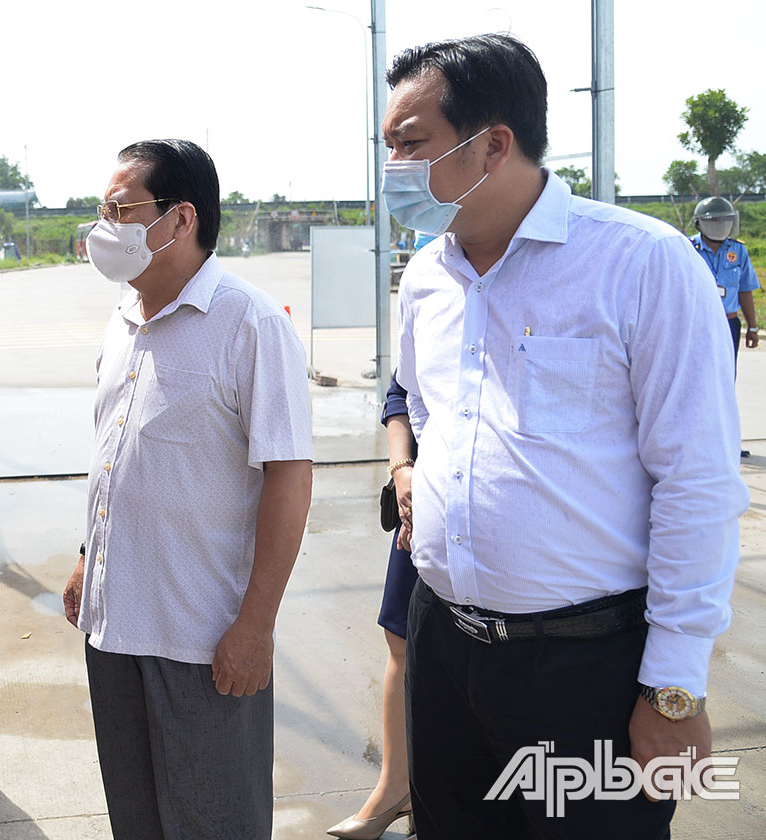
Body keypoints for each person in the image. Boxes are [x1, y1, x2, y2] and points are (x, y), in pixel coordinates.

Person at [386, 34, 747, 838]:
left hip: (586, 671)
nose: (394, 169)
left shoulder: (640, 263)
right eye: (389, 148)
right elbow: (426, 409)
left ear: (493, 144)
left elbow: (697, 481)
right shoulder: (424, 278)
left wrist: (673, 690)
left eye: (411, 144)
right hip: (443, 646)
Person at [62, 139, 314, 839]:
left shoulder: (249, 323)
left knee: (213, 820)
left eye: (121, 209)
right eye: (103, 209)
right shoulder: (123, 317)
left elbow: (289, 479)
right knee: (136, 818)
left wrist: (257, 625)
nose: (104, 226)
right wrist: (90, 557)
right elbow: (117, 453)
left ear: (180, 220)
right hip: (114, 628)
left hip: (202, 639)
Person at [327, 375, 415, 840]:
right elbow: (398, 392)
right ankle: (396, 786)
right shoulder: (432, 299)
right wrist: (402, 468)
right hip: (420, 505)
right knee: (400, 639)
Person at [689, 198, 757, 449]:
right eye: (715, 220)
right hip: (697, 323)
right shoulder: (688, 248)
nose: (721, 225)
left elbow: (746, 289)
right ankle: (698, 440)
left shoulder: (738, 251)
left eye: (725, 220)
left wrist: (752, 326)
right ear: (701, 223)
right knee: (696, 379)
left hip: (729, 324)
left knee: (726, 380)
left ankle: (727, 442)